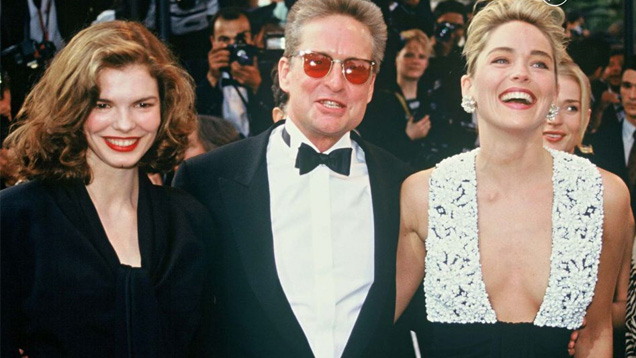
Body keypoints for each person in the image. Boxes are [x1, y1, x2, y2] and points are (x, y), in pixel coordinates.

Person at [173, 0, 415, 356]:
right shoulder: (207, 180)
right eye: (317, 63)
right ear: (285, 72)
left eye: (356, 69)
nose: (335, 82)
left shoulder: (404, 187)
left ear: (371, 86)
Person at [395, 0, 633, 357]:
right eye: (501, 59)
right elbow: (374, 321)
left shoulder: (604, 196)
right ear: (468, 87)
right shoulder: (422, 194)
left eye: (539, 63)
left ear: (553, 90)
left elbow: (596, 333)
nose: (521, 73)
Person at [1, 21, 213, 357]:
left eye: (143, 104)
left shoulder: (189, 220)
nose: (126, 124)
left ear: (165, 108)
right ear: (72, 107)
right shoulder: (16, 218)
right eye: (103, 105)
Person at [542, 58, 634, 358]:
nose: (556, 120)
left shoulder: (609, 197)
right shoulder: (487, 193)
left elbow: (625, 306)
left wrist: (578, 321)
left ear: (587, 118)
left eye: (571, 108)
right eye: (548, 106)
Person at [358, 29, 434, 169]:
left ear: (427, 63)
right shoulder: (380, 100)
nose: (415, 61)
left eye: (422, 57)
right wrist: (408, 136)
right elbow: (374, 147)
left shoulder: (431, 100)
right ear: (397, 59)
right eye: (409, 55)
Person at [196, 6, 273, 137]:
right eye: (224, 40)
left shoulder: (269, 71)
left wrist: (258, 87)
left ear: (252, 40)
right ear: (212, 41)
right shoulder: (197, 71)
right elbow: (193, 120)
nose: (233, 46)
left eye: (241, 39)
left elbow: (277, 121)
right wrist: (212, 79)